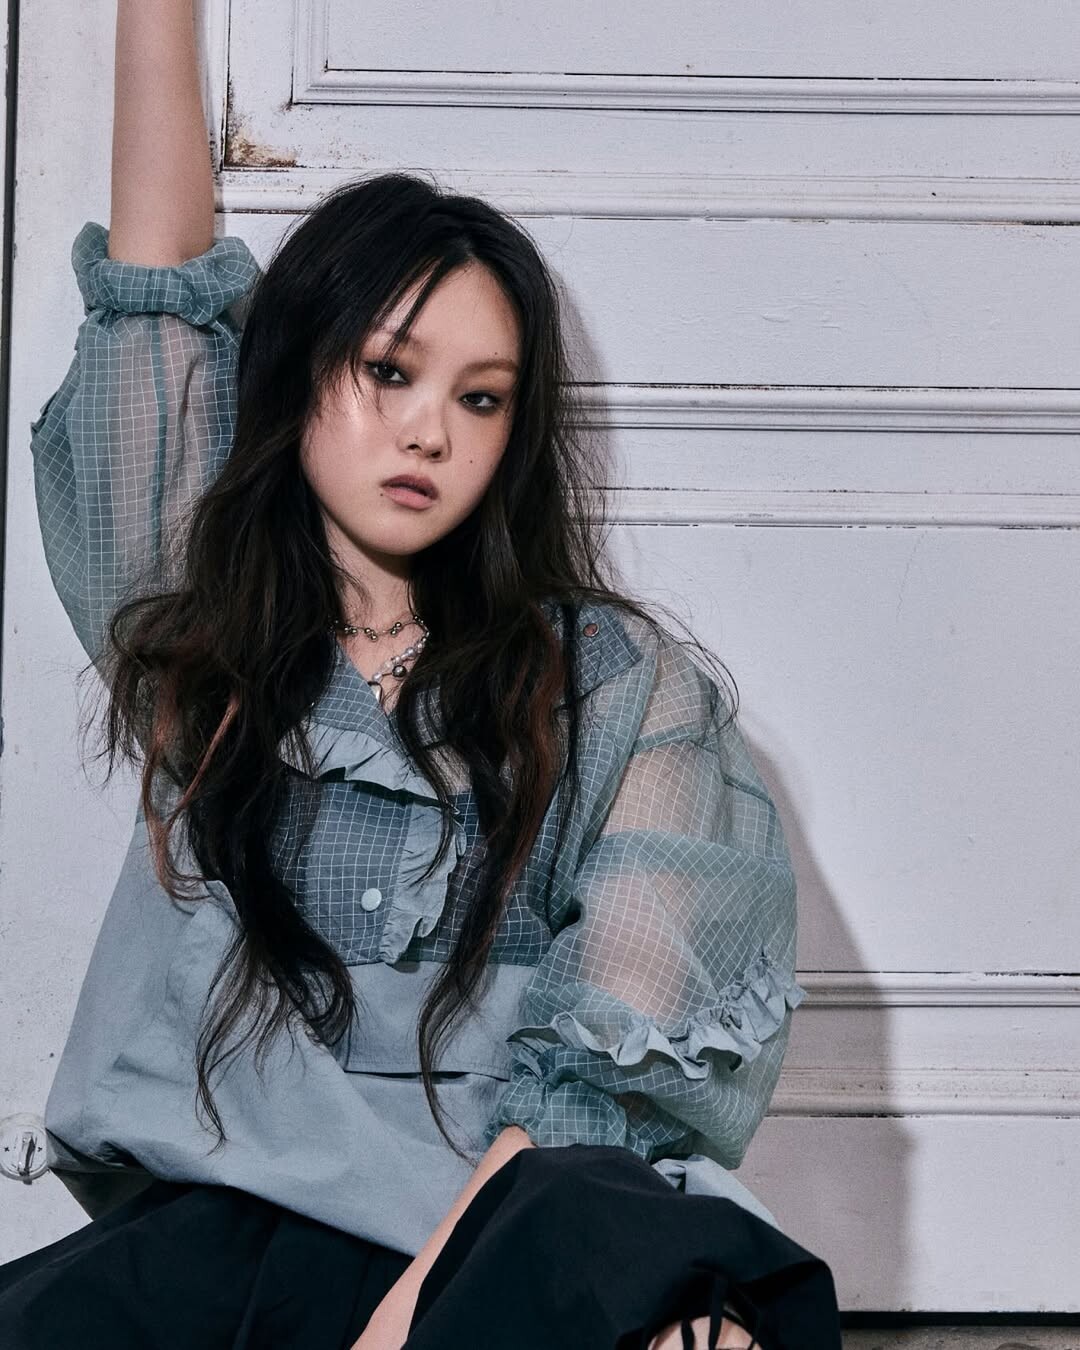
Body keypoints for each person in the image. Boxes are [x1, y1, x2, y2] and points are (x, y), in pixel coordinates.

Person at [0, 1, 842, 1346]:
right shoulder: (209, 648)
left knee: (658, 1288)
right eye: (389, 371)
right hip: (243, 1227)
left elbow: (591, 1090)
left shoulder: (615, 690)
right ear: (297, 372)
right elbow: (155, 283)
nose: (428, 432)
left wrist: (410, 1317)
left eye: (480, 396)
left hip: (509, 1230)